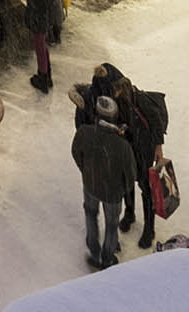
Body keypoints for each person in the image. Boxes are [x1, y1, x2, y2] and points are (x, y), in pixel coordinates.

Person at [93, 62, 168, 250]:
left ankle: (149, 230)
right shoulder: (114, 100)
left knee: (145, 187)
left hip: (145, 149)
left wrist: (158, 148)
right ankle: (130, 212)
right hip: (129, 146)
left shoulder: (140, 100)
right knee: (127, 179)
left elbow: (156, 122)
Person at [71, 93, 138, 270]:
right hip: (113, 193)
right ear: (114, 117)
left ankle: (94, 252)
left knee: (90, 214)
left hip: (90, 185)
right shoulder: (123, 146)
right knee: (112, 224)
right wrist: (122, 190)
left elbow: (76, 153)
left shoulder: (84, 132)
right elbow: (131, 175)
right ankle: (107, 258)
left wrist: (85, 171)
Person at [22, 0, 61, 91]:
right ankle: (46, 73)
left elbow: (33, 2)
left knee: (39, 47)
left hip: (38, 18)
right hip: (45, 16)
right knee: (42, 45)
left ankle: (43, 77)